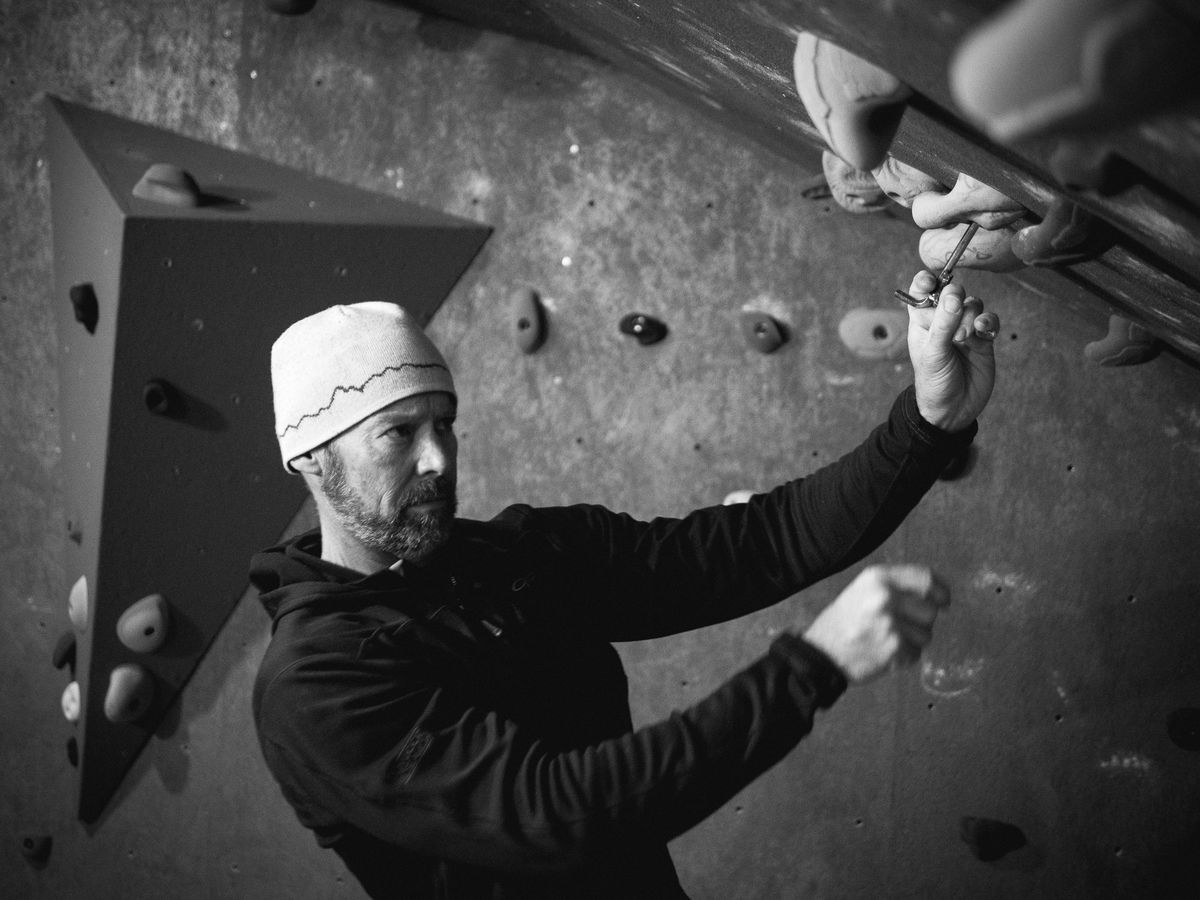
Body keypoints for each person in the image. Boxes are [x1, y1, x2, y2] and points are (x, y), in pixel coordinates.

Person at [251, 270, 998, 899]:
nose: (440, 460)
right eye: (398, 433)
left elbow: (757, 546)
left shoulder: (513, 558)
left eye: (443, 424)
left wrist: (929, 421)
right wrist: (812, 667)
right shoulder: (316, 683)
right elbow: (557, 814)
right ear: (312, 460)